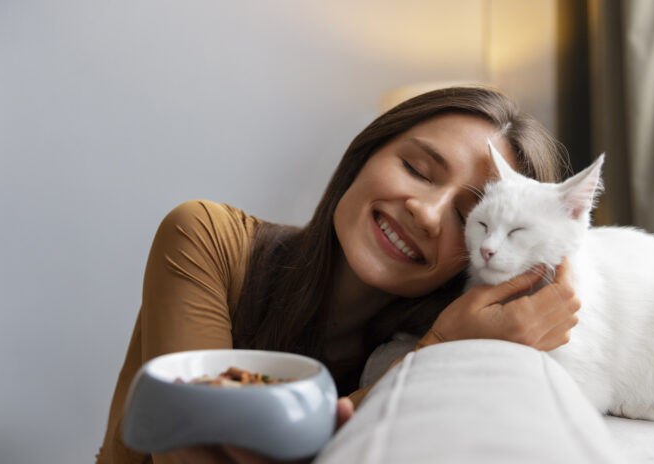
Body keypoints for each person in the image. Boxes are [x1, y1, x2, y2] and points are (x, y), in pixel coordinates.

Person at [96, 86, 580, 464]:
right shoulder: (207, 236)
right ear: (365, 154)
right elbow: (195, 451)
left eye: (466, 215)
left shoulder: (440, 345)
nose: (428, 214)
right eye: (416, 168)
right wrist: (441, 344)